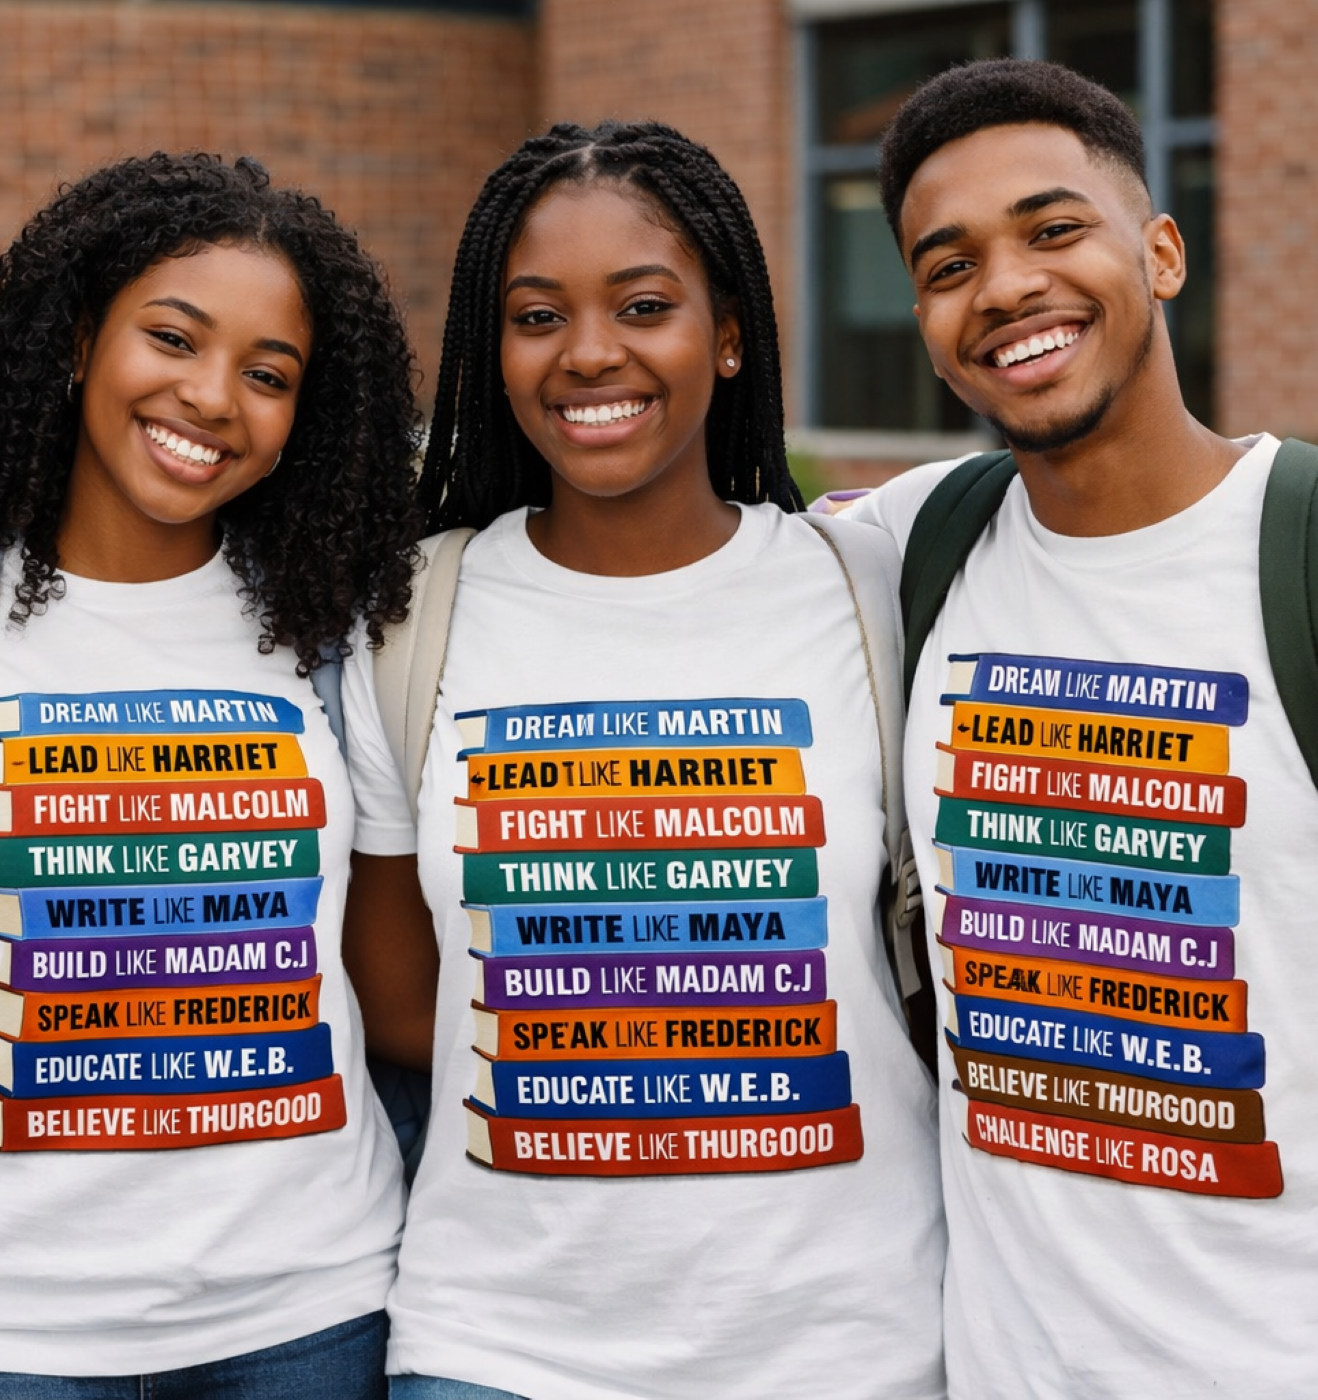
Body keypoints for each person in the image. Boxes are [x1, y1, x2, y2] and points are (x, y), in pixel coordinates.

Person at [340, 120, 946, 1400]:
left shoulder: (868, 588)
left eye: (645, 305)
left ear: (728, 336)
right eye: (537, 314)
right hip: (499, 1352)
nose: (590, 353)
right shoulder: (409, 614)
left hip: (842, 1348)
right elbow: (402, 1003)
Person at [839, 58, 1318, 1396]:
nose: (1006, 289)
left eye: (1053, 230)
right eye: (947, 265)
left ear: (1159, 253)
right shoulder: (916, 544)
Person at [0, 151, 420, 1399]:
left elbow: (397, 997)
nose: (213, 396)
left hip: (310, 1308)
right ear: (75, 341)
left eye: (269, 375)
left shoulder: (333, 631)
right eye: (173, 336)